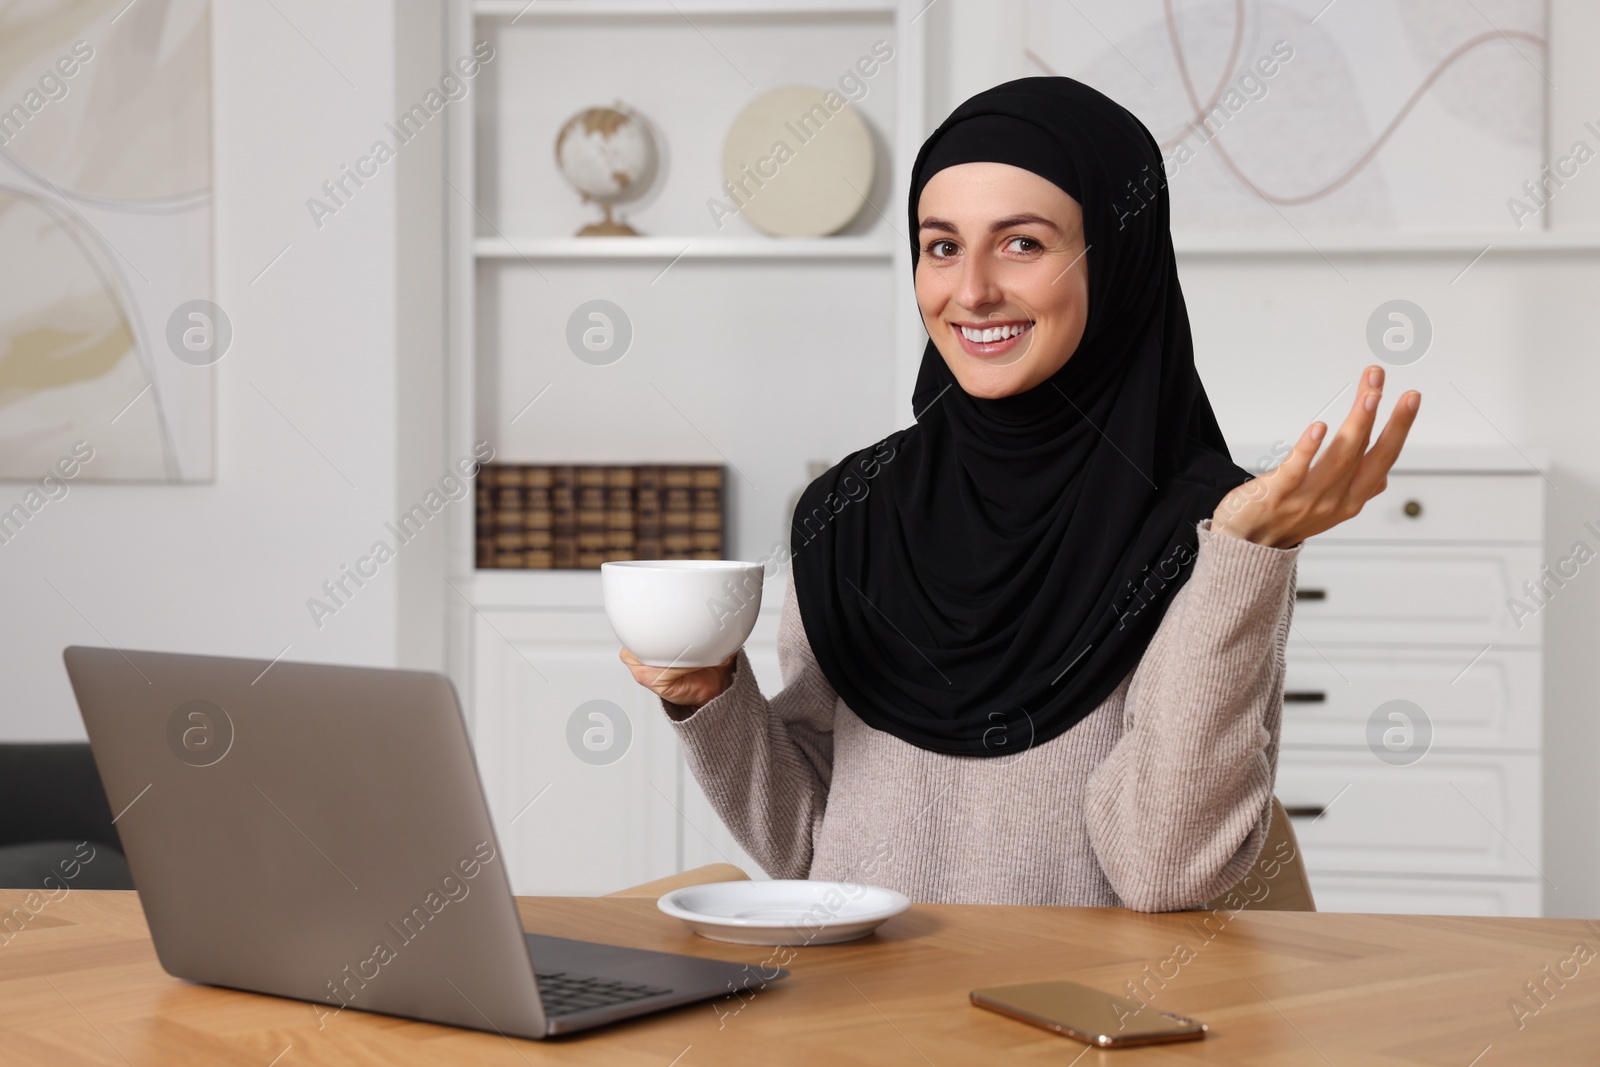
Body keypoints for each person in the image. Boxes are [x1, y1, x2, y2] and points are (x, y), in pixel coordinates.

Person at [621, 77, 1420, 910]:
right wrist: (713, 698)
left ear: (1117, 258)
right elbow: (812, 845)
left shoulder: (1209, 532)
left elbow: (1167, 870)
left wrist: (1244, 557)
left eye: (1023, 244)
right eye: (941, 246)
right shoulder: (850, 510)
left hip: (1075, 1026)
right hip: (869, 1024)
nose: (971, 292)